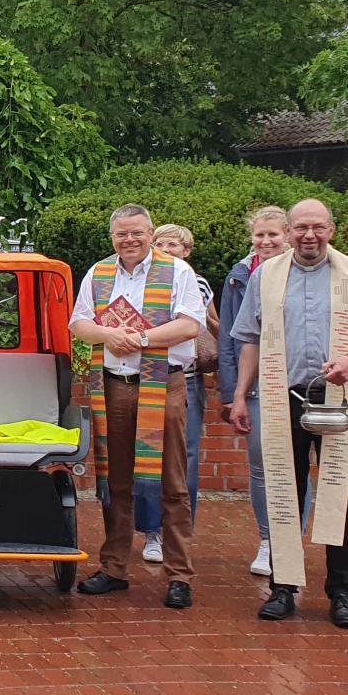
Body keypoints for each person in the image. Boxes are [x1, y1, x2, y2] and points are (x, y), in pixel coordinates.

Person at [229, 199, 348, 629]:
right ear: (289, 231)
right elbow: (249, 339)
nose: (309, 235)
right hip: (281, 398)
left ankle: (342, 592)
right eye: (301, 227)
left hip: (339, 397)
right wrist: (240, 396)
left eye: (318, 227)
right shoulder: (266, 275)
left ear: (332, 229)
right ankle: (283, 588)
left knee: (342, 500)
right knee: (285, 493)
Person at [68, 206, 205, 610]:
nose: (129, 240)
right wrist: (108, 333)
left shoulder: (177, 271)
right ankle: (113, 568)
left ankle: (179, 575)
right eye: (121, 234)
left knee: (172, 482)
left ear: (150, 231)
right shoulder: (98, 272)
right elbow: (78, 323)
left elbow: (190, 324)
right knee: (115, 480)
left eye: (137, 233)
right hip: (114, 386)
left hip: (163, 385)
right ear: (112, 236)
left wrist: (140, 340)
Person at [135, 223, 215, 567]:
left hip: (186, 378)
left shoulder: (195, 282)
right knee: (147, 453)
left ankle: (179, 529)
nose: (166, 250)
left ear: (187, 251)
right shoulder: (141, 279)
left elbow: (204, 324)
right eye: (161, 244)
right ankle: (152, 531)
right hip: (145, 376)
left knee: (186, 458)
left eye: (174, 245)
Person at [218, 205, 290, 577]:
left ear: (288, 235)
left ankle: (291, 539)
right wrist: (232, 392)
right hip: (255, 384)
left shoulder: (304, 272)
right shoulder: (240, 275)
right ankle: (268, 540)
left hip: (297, 382)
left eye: (273, 234)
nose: (265, 241)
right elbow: (230, 335)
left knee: (297, 465)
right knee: (261, 466)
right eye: (259, 235)